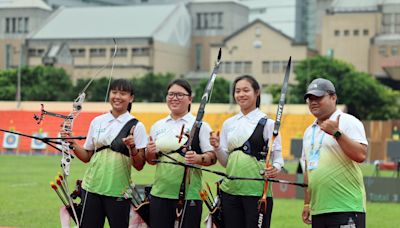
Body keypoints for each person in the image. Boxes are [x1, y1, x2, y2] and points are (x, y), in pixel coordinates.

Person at [64, 79, 148, 227]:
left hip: (119, 191)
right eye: (114, 92)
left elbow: (140, 165)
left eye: (123, 93)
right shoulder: (97, 121)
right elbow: (87, 156)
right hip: (91, 187)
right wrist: (72, 143)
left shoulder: (136, 126)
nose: (117, 96)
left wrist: (133, 148)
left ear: (131, 98)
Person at [209, 75, 284, 228]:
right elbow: (225, 163)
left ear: (257, 92)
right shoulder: (228, 123)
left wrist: (275, 169)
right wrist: (217, 147)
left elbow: (278, 159)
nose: (241, 94)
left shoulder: (268, 124)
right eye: (237, 91)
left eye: (245, 90)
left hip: (256, 193)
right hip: (230, 191)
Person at [145, 79, 217, 228]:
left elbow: (212, 157)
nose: (174, 98)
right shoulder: (157, 126)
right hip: (160, 193)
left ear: (190, 99)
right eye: (171, 94)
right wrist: (150, 153)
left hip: (189, 194)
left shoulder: (200, 125)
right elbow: (151, 161)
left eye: (179, 94)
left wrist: (198, 158)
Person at [301, 78, 368, 228]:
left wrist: (336, 133)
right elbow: (308, 170)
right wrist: (307, 203)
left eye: (318, 97)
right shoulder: (308, 131)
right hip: (319, 209)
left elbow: (361, 155)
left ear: (333, 97)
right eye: (310, 99)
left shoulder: (348, 121)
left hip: (346, 207)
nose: (313, 102)